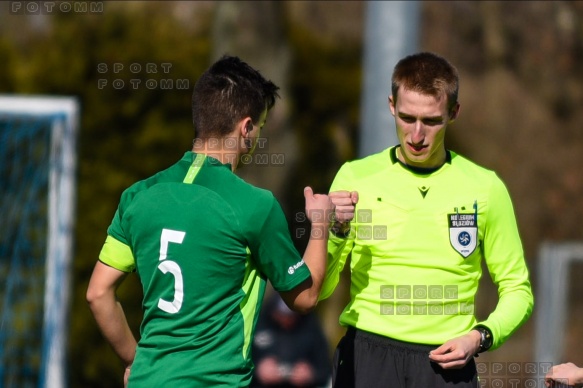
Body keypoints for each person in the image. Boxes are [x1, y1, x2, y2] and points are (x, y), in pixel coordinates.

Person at [86, 55, 334, 387]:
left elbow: (98, 293)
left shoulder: (138, 196)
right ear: (246, 128)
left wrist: (136, 361)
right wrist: (320, 225)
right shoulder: (254, 205)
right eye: (259, 126)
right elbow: (305, 297)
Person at [320, 52, 534, 387]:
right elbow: (320, 289)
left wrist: (480, 337)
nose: (416, 135)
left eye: (431, 121)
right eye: (407, 118)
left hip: (447, 362)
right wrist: (334, 230)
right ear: (391, 105)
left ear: (454, 113)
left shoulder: (486, 187)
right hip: (368, 356)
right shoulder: (354, 177)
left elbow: (517, 289)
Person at [251, 293, 332, 388]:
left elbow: (325, 369)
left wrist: (311, 374)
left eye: (290, 316)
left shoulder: (311, 328)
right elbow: (237, 363)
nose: (286, 320)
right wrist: (258, 369)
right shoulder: (257, 324)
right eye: (281, 315)